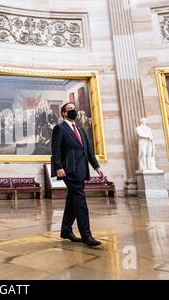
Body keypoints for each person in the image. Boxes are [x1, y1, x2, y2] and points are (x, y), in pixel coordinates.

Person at [51, 102, 104, 247]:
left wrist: (96, 166)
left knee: (72, 200)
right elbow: (55, 150)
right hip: (68, 170)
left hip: (81, 170)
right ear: (63, 113)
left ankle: (66, 230)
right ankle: (87, 235)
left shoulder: (80, 130)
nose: (73, 111)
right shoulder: (60, 128)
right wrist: (58, 166)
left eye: (74, 109)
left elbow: (88, 150)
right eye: (69, 109)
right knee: (80, 201)